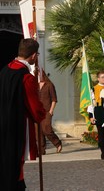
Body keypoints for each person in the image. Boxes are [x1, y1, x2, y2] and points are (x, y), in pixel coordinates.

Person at [0, 38, 46, 190]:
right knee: (16, 160)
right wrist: (41, 113)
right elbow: (34, 108)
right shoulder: (26, 77)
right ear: (33, 56)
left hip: (3, 123)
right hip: (17, 124)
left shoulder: (4, 70)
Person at [38, 71, 62, 155]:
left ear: (42, 75)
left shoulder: (49, 85)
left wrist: (51, 111)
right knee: (38, 131)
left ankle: (57, 143)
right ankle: (41, 150)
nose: (37, 76)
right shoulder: (35, 85)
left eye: (38, 74)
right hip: (37, 112)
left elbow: (54, 99)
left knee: (47, 130)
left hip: (47, 111)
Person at [88, 71, 104, 160]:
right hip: (99, 111)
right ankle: (103, 152)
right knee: (101, 133)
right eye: (102, 77)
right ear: (98, 79)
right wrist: (91, 116)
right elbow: (91, 104)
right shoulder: (94, 89)